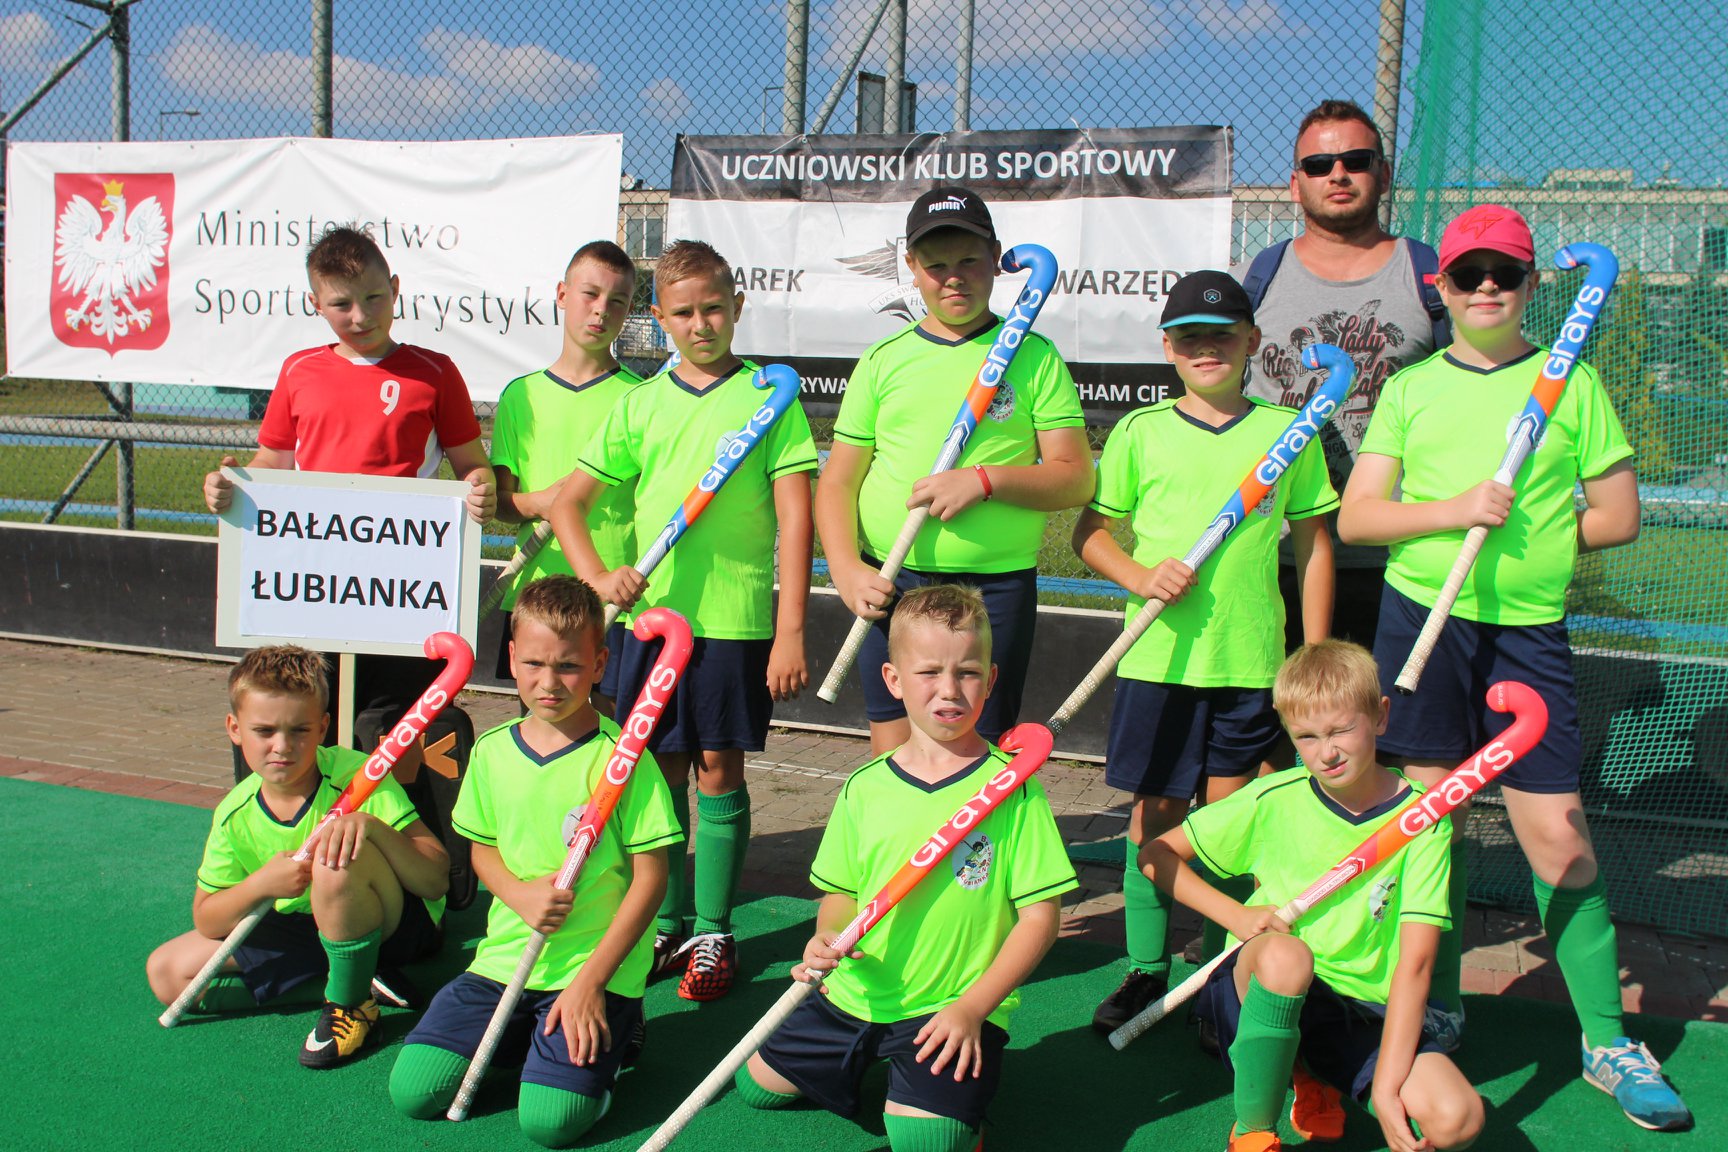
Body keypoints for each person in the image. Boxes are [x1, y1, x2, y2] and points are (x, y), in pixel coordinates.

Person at [1338, 203, 1691, 1131]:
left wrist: (1532, 536)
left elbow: (1617, 517)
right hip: (1425, 623)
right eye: (1469, 274)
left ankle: (1607, 1041)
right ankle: (1438, 1006)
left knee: (1559, 843)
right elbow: (1359, 517)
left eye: (1506, 273)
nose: (1487, 287)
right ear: (1441, 287)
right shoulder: (1412, 388)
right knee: (1430, 831)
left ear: (1533, 285)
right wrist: (1455, 510)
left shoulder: (1573, 383)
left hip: (1527, 634)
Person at [547, 238, 818, 1001]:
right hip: (650, 629)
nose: (702, 325)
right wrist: (599, 576)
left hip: (734, 624)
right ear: (659, 318)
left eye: (715, 309)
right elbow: (568, 504)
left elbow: (796, 521)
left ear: (738, 306)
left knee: (718, 771)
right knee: (656, 775)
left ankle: (714, 931)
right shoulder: (639, 404)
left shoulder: (769, 399)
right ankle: (663, 924)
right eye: (685, 313)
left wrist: (791, 630)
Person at [1072, 270, 1336, 1034]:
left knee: (1225, 827)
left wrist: (1315, 655)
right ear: (1167, 348)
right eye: (1189, 337)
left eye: (1222, 336)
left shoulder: (1289, 432)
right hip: (1157, 662)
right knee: (1153, 819)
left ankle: (1219, 974)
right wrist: (1139, 575)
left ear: (1252, 341)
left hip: (1251, 664)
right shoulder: (1140, 431)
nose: (1206, 348)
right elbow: (1091, 533)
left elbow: (1314, 544)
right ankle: (1145, 971)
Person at [735, 585, 1077, 1152]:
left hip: (948, 1007)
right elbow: (841, 894)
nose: (950, 689)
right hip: (854, 994)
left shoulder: (1014, 790)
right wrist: (826, 935)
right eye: (929, 672)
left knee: (929, 1140)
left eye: (968, 672)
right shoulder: (863, 787)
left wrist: (973, 1008)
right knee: (758, 1089)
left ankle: (942, 1100)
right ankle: (875, 1064)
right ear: (893, 680)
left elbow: (1041, 919)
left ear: (991, 680)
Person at [1144, 640, 1484, 1152]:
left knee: (1458, 1120)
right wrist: (1235, 915)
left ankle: (1313, 1070)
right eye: (1306, 736)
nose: (1327, 752)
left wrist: (1388, 1088)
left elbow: (1415, 963)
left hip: (1361, 1007)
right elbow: (1156, 855)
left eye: (1342, 729)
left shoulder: (1424, 819)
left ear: (1381, 716)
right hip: (1263, 984)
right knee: (1288, 958)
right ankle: (1254, 1131)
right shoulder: (1272, 797)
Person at [387, 576, 680, 1146]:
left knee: (550, 1123)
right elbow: (483, 850)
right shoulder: (492, 750)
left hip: (591, 970)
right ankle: (530, 1040)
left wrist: (592, 983)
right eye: (535, 664)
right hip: (504, 962)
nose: (549, 683)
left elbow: (651, 880)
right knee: (415, 1092)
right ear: (512, 657)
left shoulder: (623, 760)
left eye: (569, 667)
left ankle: (616, 1034)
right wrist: (519, 895)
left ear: (599, 664)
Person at [815, 185, 1093, 753]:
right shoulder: (884, 360)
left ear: (996, 258)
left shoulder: (1035, 357)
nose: (954, 278)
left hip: (995, 587)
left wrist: (985, 481)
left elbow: (1074, 477)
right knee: (896, 753)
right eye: (936, 265)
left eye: (969, 260)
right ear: (912, 268)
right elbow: (838, 480)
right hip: (894, 579)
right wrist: (845, 568)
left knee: (976, 753)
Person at [200, 224, 496, 735]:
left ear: (395, 289)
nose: (360, 316)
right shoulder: (299, 371)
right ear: (315, 304)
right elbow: (271, 462)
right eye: (341, 304)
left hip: (404, 588)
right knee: (311, 717)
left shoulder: (434, 372)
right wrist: (233, 485)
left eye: (374, 298)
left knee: (388, 723)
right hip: (315, 585)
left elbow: (471, 463)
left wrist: (481, 488)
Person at [144, 645, 450, 1068]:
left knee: (333, 858)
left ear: (323, 727)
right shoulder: (235, 813)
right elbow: (208, 919)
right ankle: (357, 983)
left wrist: (370, 826)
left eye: (300, 730)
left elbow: (435, 879)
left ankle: (350, 1006)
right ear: (235, 728)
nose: (282, 746)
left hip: (389, 924)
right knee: (167, 972)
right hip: (304, 926)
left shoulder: (358, 776)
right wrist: (261, 885)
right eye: (264, 731)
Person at [1233, 99, 1449, 656]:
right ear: (1294, 183)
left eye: (1356, 160)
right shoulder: (1255, 280)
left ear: (1383, 173)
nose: (1337, 175)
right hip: (1274, 553)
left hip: (1400, 561)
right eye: (1318, 165)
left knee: (1386, 709)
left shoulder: (1432, 279)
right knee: (1275, 711)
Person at [492, 240, 642, 715]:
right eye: (589, 294)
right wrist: (543, 503)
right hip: (537, 594)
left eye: (616, 301)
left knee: (606, 735)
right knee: (540, 728)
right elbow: (500, 504)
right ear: (561, 294)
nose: (601, 310)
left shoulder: (641, 398)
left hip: (614, 596)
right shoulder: (520, 396)